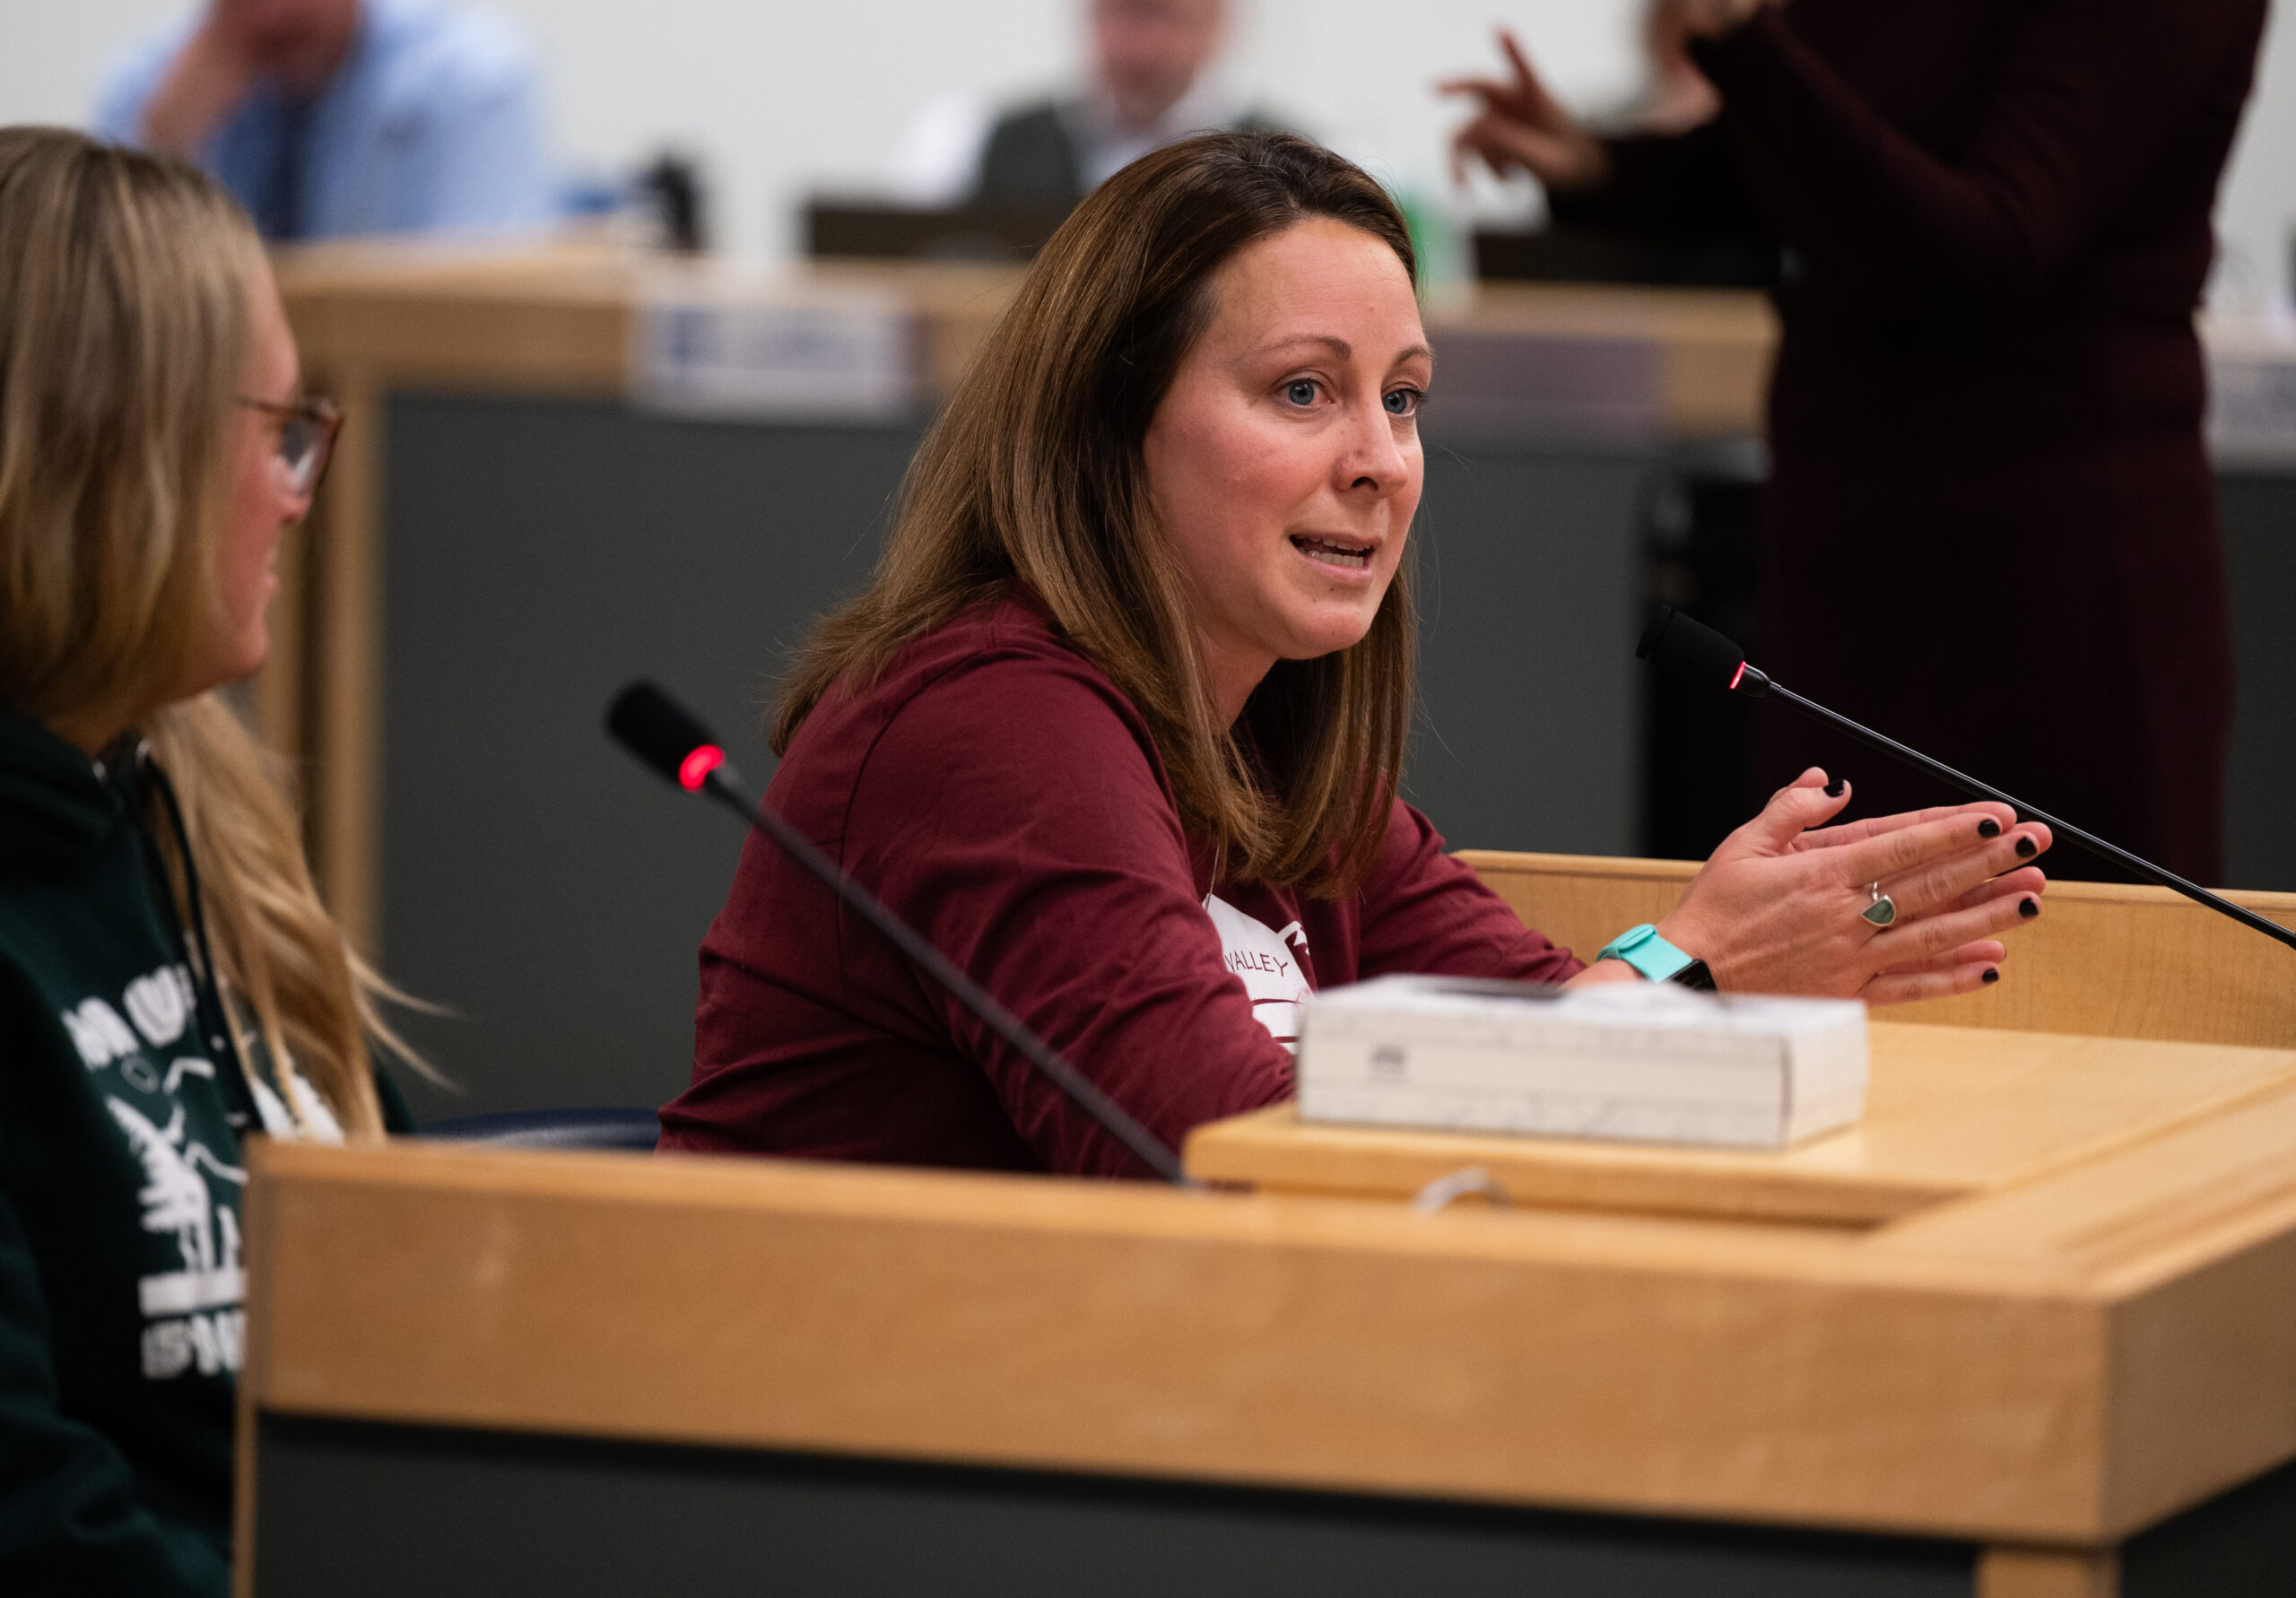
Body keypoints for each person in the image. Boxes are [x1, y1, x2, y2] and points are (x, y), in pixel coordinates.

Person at [661, 131, 2053, 1179]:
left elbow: (1542, 1020)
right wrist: (1690, 969)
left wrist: (1708, 957)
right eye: (1304, 391)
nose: (1381, 463)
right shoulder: (991, 723)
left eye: (1404, 400)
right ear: (1109, 426)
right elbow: (1229, 1155)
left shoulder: (1264, 743)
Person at [1443, 0, 2267, 887]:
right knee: (1826, 935)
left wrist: (1748, 41)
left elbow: (1996, 238)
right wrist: (1600, 166)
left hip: (2043, 564)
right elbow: (1816, 176)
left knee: (2063, 955)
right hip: (1850, 545)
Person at [0, 128, 416, 1593]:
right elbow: (36, 1526)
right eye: (277, 430)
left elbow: (417, 1271)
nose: (300, 490)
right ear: (117, 452)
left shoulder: (185, 798)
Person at [93, 0, 552, 241]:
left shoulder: (473, 80)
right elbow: (90, 316)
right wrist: (162, 149)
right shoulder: (150, 92)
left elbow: (481, 329)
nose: (277, 11)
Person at [890, 0, 1273, 212]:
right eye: (1119, 14)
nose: (1138, 47)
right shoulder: (966, 140)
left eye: (1163, 17)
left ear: (1218, 23)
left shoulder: (1293, 155)